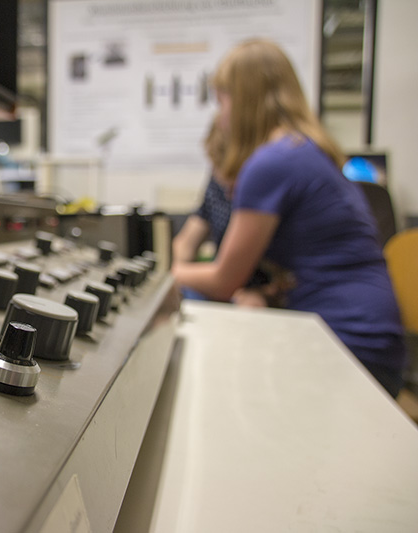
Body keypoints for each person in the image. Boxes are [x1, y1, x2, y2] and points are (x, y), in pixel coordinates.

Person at [172, 39, 406, 397]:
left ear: (246, 100)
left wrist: (163, 275)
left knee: (193, 316)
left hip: (347, 342)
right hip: (372, 335)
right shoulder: (306, 150)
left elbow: (223, 280)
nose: (220, 116)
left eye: (222, 101)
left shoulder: (271, 163)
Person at [173, 117, 275, 307]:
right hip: (223, 287)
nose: (225, 184)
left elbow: (225, 281)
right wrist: (175, 269)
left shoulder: (264, 188)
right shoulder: (217, 185)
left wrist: (171, 273)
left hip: (255, 292)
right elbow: (186, 242)